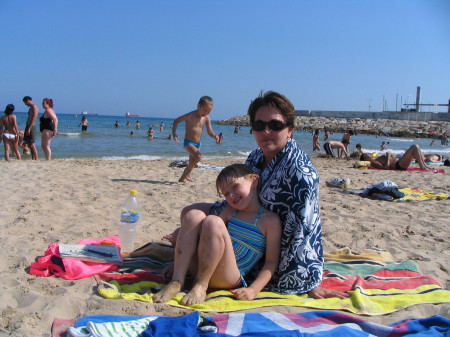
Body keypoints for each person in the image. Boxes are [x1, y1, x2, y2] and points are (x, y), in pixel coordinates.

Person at [163, 91, 348, 299]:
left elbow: (303, 231)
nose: (266, 131)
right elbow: (237, 196)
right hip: (242, 214)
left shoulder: (300, 174)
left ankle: (198, 275)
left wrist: (306, 282)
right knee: (191, 213)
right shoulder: (257, 156)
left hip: (261, 235)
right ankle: (180, 272)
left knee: (205, 225)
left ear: (289, 130)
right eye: (259, 126)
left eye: (275, 125)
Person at [153, 164, 282, 305]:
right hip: (204, 265)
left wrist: (253, 290)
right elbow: (208, 238)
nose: (231, 195)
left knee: (212, 221)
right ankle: (177, 280)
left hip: (229, 275)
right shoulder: (231, 211)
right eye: (226, 193)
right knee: (193, 215)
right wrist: (178, 263)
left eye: (235, 186)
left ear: (254, 180)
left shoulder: (269, 220)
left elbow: (271, 262)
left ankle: (200, 286)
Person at [172, 96, 219, 182]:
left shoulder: (206, 118)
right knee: (198, 157)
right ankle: (187, 171)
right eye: (205, 110)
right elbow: (176, 121)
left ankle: (181, 179)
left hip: (198, 144)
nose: (206, 113)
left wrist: (215, 136)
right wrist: (174, 133)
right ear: (198, 106)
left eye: (209, 111)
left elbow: (210, 131)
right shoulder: (190, 115)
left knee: (192, 162)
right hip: (188, 142)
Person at [361, 144, 433, 171]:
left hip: (400, 161)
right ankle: (422, 167)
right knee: (414, 147)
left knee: (417, 147)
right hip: (399, 165)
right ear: (366, 158)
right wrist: (388, 156)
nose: (369, 154)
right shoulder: (374, 162)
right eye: (367, 154)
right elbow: (386, 167)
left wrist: (390, 155)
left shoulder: (377, 158)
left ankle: (424, 165)